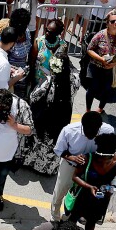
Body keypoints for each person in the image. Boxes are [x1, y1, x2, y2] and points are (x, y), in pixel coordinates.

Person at [64, 133, 116, 230]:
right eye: (99, 159)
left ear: (112, 156)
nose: (102, 162)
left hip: (101, 200)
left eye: (106, 161)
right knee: (73, 219)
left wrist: (112, 188)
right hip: (82, 197)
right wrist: (89, 187)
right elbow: (75, 177)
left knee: (91, 222)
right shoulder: (86, 159)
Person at [21, 46, 79, 175]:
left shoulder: (49, 81)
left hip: (46, 116)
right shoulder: (74, 80)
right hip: (63, 116)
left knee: (40, 139)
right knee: (55, 140)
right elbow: (74, 71)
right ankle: (48, 168)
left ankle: (33, 163)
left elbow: (34, 97)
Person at [50, 111, 115, 221]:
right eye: (87, 132)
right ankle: (54, 218)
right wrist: (72, 158)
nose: (91, 136)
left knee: (83, 195)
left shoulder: (108, 131)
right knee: (60, 192)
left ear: (100, 128)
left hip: (91, 169)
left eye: (94, 133)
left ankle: (72, 216)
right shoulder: (68, 131)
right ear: (82, 125)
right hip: (70, 165)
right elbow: (59, 150)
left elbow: (110, 150)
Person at [85, 10, 116, 114]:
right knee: (92, 89)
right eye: (112, 21)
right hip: (95, 66)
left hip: (110, 69)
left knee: (106, 90)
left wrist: (114, 64)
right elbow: (89, 49)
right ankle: (87, 111)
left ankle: (100, 109)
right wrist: (101, 59)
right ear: (107, 23)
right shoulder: (100, 35)